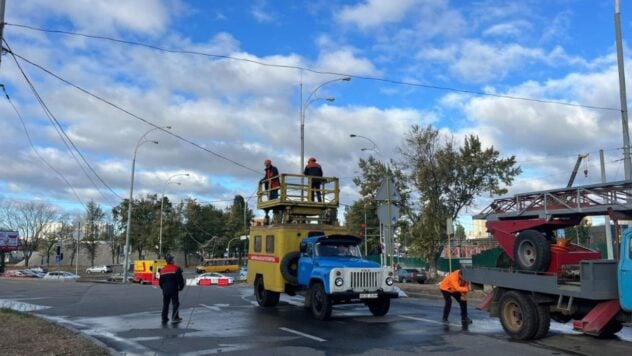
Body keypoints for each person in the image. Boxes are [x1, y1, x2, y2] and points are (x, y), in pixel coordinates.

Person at [159, 255, 185, 324]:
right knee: (175, 303)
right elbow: (180, 280)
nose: (174, 260)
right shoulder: (176, 268)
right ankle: (175, 317)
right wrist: (181, 287)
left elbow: (160, 282)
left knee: (165, 304)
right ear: (171, 261)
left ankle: (164, 318)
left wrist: (163, 288)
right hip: (173, 289)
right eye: (173, 259)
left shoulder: (162, 270)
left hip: (165, 290)